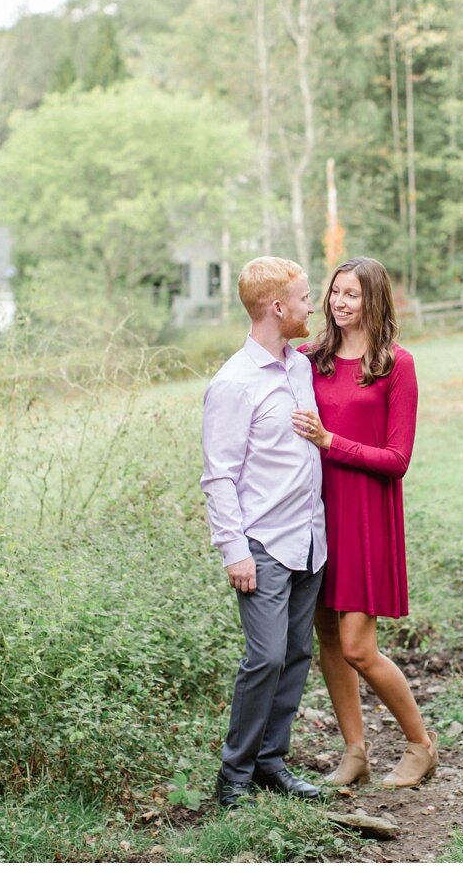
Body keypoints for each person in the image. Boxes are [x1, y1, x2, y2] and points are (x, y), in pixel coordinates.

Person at [292, 256, 438, 789]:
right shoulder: (312, 358)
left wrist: (332, 442)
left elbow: (398, 458)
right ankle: (355, 752)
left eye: (351, 293)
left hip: (366, 515)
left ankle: (421, 745)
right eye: (334, 292)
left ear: (374, 298)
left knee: (358, 647)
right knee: (329, 639)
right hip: (314, 512)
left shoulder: (397, 364)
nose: (339, 302)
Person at [200, 256, 328, 809]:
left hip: (310, 538)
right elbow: (219, 476)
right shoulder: (232, 384)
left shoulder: (299, 367)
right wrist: (235, 550)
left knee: (297, 653)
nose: (310, 305)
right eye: (303, 297)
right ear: (277, 307)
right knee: (266, 658)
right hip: (263, 544)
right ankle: (234, 774)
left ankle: (273, 763)